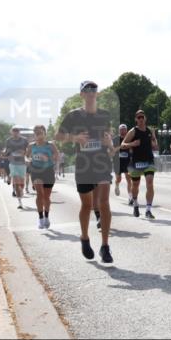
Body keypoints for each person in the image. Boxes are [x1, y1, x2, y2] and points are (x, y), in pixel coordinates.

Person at [56, 81, 114, 263]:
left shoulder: (104, 115)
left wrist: (108, 142)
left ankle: (105, 246)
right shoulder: (73, 116)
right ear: (81, 94)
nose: (91, 93)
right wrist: (75, 138)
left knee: (104, 203)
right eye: (87, 90)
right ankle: (84, 238)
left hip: (102, 164)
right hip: (84, 165)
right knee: (87, 205)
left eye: (94, 90)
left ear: (97, 94)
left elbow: (108, 138)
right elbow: (57, 137)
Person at [120, 110, 158, 219]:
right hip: (136, 161)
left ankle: (148, 210)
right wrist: (132, 143)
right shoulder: (133, 131)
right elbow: (123, 145)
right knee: (135, 185)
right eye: (138, 117)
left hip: (149, 160)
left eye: (142, 117)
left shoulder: (150, 130)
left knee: (149, 182)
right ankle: (135, 204)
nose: (141, 119)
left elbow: (155, 144)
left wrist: (154, 143)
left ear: (145, 118)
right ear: (136, 119)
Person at [26, 125, 59, 229]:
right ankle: (40, 218)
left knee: (46, 197)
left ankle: (46, 217)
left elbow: (57, 156)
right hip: (36, 171)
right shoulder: (31, 146)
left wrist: (48, 157)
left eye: (40, 133)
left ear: (45, 134)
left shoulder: (51, 145)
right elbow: (26, 156)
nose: (39, 135)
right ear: (34, 135)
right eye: (36, 133)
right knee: (40, 194)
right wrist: (28, 160)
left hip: (48, 171)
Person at [2, 128, 29, 209]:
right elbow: (6, 150)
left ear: (19, 133)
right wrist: (4, 152)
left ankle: (21, 191)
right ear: (11, 133)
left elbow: (28, 150)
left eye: (17, 132)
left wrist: (26, 155)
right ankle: (20, 202)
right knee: (16, 183)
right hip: (13, 163)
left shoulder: (24, 140)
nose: (15, 134)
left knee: (21, 183)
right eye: (14, 133)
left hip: (22, 163)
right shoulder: (8, 140)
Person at [113, 124, 133, 203]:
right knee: (119, 179)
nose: (123, 131)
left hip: (127, 161)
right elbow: (112, 150)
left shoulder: (129, 138)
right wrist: (120, 147)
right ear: (119, 130)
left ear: (127, 130)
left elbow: (132, 149)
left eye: (124, 129)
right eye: (121, 129)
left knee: (129, 179)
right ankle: (117, 185)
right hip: (117, 162)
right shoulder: (115, 139)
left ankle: (130, 197)